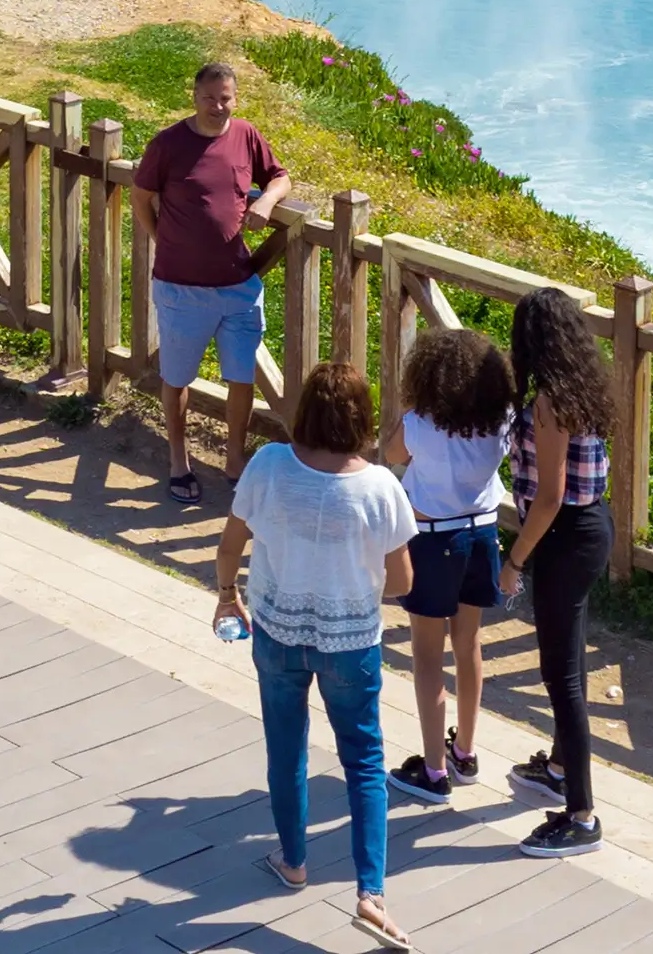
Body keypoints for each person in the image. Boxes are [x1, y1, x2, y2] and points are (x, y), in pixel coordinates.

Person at [212, 361, 416, 948]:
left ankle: (294, 863)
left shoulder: (270, 465)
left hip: (276, 633)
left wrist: (229, 597)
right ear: (361, 418)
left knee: (286, 750)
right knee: (365, 761)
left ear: (303, 413)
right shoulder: (381, 486)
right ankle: (370, 894)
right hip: (351, 643)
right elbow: (400, 581)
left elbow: (230, 546)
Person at [131, 57, 291, 505]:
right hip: (181, 288)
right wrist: (160, 237)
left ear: (235, 99)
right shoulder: (168, 143)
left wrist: (268, 202)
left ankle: (235, 459)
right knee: (177, 377)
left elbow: (280, 177)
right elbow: (141, 197)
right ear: (194, 97)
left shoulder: (246, 135)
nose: (217, 107)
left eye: (225, 99)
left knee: (241, 378)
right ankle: (178, 459)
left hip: (238, 287)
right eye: (209, 98)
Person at [496, 285, 619, 857]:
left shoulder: (548, 402)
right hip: (591, 530)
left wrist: (514, 560)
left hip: (563, 537)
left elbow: (549, 497)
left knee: (561, 677)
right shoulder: (582, 389)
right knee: (567, 663)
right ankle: (562, 767)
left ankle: (582, 815)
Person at [381, 328, 518, 805]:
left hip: (433, 540)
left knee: (425, 656)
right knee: (469, 644)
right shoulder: (502, 418)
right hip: (483, 536)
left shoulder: (421, 423)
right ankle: (464, 751)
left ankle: (434, 771)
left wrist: (408, 411)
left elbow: (392, 453)